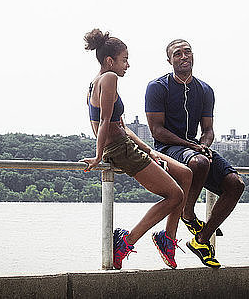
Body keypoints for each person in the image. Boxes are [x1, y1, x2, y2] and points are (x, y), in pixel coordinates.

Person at [80, 29, 192, 270]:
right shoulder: (109, 78)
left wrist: (149, 150)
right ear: (110, 61)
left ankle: (168, 240)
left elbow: (120, 124)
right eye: (125, 59)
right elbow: (102, 124)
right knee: (175, 196)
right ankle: (126, 242)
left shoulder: (95, 82)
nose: (128, 65)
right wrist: (99, 155)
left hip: (127, 145)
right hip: (120, 150)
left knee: (185, 173)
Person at [145, 39, 245, 268]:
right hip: (167, 150)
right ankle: (187, 213)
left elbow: (208, 129)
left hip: (195, 150)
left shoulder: (205, 90)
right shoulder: (158, 87)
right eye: (177, 53)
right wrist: (190, 146)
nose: (183, 56)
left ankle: (201, 240)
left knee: (235, 183)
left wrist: (204, 144)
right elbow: (157, 131)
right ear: (169, 60)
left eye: (187, 52)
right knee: (199, 162)